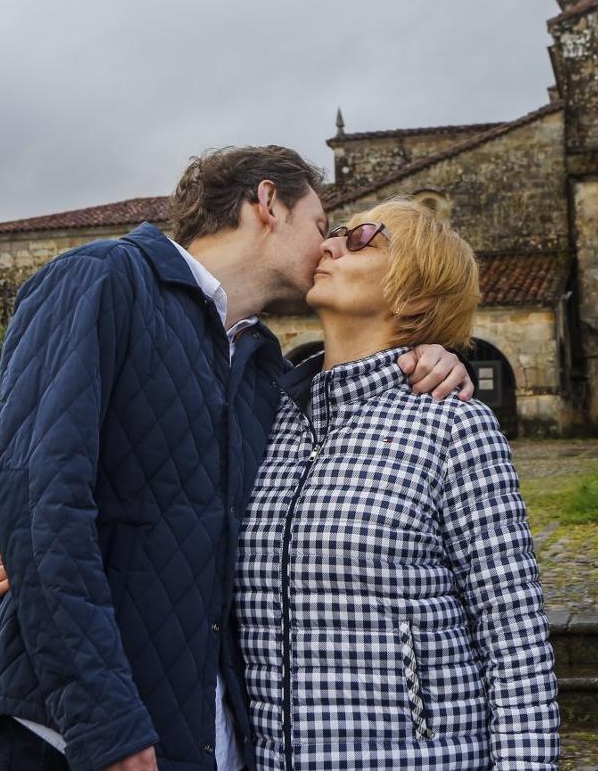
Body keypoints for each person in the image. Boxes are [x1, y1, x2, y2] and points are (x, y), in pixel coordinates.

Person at [0, 146, 473, 771]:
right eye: (321, 226)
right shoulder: (102, 279)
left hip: (197, 734)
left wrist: (433, 357)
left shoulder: (263, 370)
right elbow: (40, 499)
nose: (329, 248)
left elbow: (345, 417)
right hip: (68, 732)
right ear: (268, 203)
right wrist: (105, 723)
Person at [234, 198, 560, 769]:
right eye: (333, 233)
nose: (330, 244)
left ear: (414, 297)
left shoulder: (453, 426)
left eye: (362, 238)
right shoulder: (263, 421)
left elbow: (515, 641)